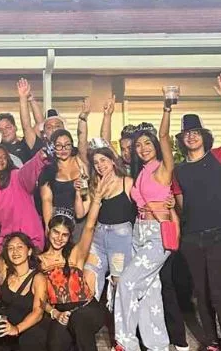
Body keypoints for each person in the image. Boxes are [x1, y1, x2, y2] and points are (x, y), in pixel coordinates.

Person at [172, 73, 221, 351]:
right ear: (182, 140)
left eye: (195, 132)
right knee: (201, 295)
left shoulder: (219, 157)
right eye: (186, 133)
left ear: (204, 136)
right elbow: (181, 205)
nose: (191, 136)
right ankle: (212, 342)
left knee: (218, 294)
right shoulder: (179, 170)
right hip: (192, 239)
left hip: (218, 236)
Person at [113, 101, 180, 351]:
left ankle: (125, 342)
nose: (142, 148)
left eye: (147, 143)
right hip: (138, 232)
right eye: (138, 145)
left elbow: (164, 136)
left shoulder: (163, 168)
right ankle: (158, 345)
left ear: (156, 146)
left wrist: (167, 109)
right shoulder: (140, 172)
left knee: (127, 283)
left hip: (156, 234)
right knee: (150, 291)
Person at [80, 143, 135, 340]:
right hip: (99, 238)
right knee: (87, 283)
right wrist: (81, 192)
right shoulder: (95, 185)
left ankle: (121, 339)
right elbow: (80, 212)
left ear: (113, 161)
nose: (100, 165)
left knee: (119, 289)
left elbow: (143, 207)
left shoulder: (127, 182)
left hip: (120, 240)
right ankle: (84, 335)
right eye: (96, 162)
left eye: (103, 160)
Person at [36, 194, 105, 351]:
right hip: (62, 313)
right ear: (48, 231)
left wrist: (96, 200)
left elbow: (89, 227)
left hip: (88, 309)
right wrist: (54, 313)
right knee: (55, 344)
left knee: (78, 320)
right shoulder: (38, 261)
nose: (59, 238)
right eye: (56, 232)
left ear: (69, 237)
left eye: (64, 234)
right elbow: (40, 298)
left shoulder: (75, 254)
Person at [0, 228, 49, 351]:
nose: (15, 251)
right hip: (8, 320)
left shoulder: (38, 278)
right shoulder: (4, 270)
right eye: (11, 248)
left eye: (20, 247)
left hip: (28, 325)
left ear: (29, 251)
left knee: (30, 338)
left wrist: (17, 329)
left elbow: (38, 312)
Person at [0, 145, 49, 252]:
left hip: (31, 241)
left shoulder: (16, 176)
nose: (0, 159)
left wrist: (40, 157)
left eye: (3, 157)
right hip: (7, 245)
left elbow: (29, 170)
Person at [39, 129, 88, 231]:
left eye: (67, 145)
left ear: (72, 145)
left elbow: (82, 139)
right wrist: (48, 226)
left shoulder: (81, 162)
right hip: (59, 219)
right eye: (58, 145)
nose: (63, 149)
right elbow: (47, 200)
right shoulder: (47, 170)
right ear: (52, 147)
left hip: (81, 216)